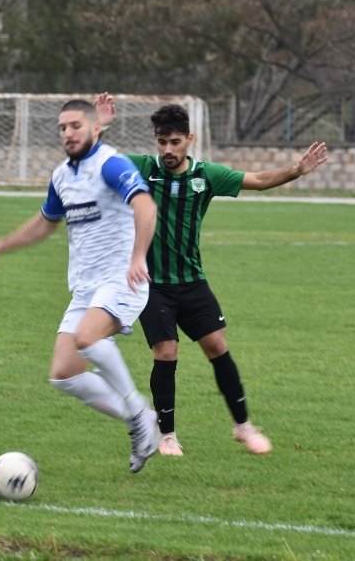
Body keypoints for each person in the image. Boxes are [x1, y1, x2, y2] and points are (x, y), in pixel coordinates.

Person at [96, 96, 328, 457]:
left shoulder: (206, 175)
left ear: (190, 138)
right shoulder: (141, 168)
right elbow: (99, 161)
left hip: (192, 281)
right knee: (166, 352)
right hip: (152, 284)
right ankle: (167, 435)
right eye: (161, 142)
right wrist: (98, 127)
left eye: (175, 142)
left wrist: (296, 171)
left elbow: (259, 179)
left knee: (217, 347)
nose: (168, 149)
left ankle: (244, 426)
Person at [0, 98, 161, 473]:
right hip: (86, 288)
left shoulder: (111, 164)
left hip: (122, 279)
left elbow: (145, 206)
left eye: (75, 126)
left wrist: (138, 257)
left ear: (93, 128)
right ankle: (142, 421)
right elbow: (43, 223)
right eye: (62, 128)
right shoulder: (62, 176)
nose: (68, 134)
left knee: (87, 338)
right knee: (64, 374)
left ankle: (136, 410)